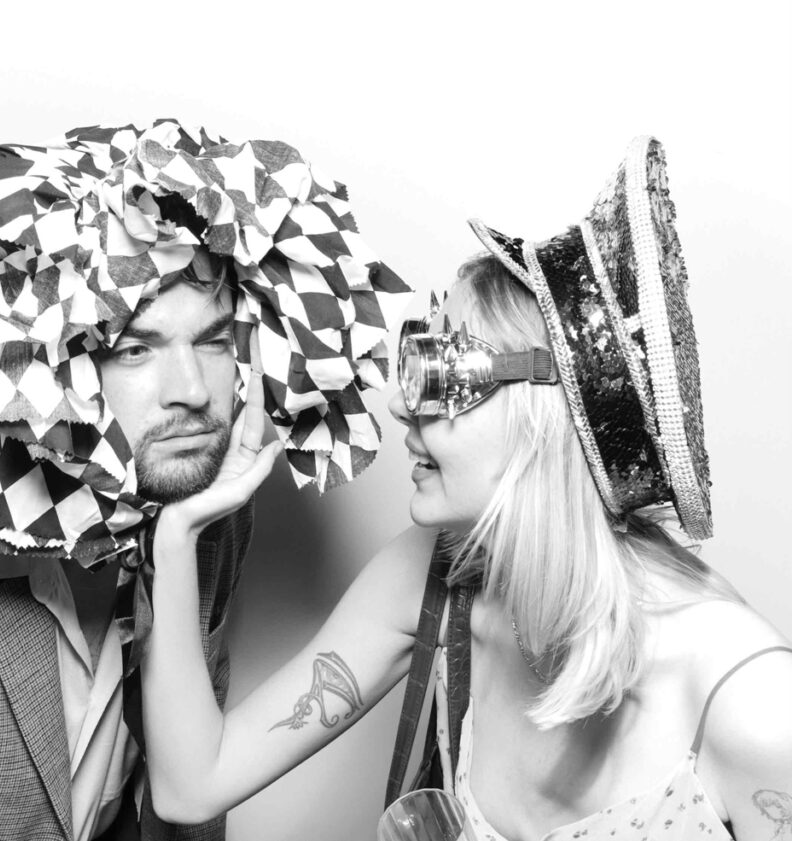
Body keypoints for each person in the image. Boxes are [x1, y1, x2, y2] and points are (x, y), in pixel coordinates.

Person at [0, 120, 410, 841]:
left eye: (212, 339)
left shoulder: (201, 510)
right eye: (136, 349)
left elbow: (183, 797)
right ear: (48, 365)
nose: (193, 391)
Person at [140, 136, 792, 841]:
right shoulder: (435, 579)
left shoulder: (748, 701)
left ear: (542, 417)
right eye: (411, 355)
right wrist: (176, 538)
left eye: (440, 372)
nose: (400, 404)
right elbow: (191, 782)